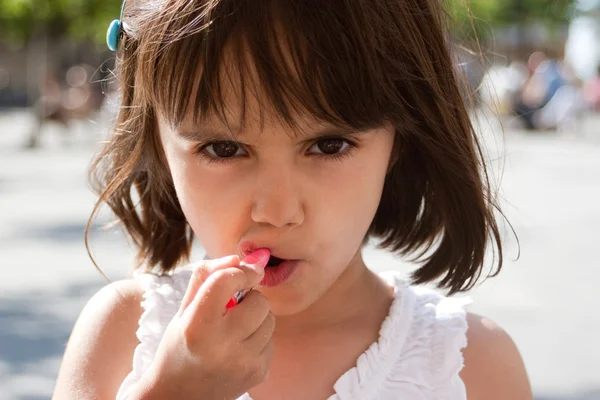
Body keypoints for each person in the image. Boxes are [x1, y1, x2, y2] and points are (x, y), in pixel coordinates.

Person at [53, 1, 533, 399]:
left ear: (400, 138)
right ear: (157, 142)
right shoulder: (122, 335)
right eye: (224, 149)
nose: (278, 212)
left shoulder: (473, 366)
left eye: (329, 145)